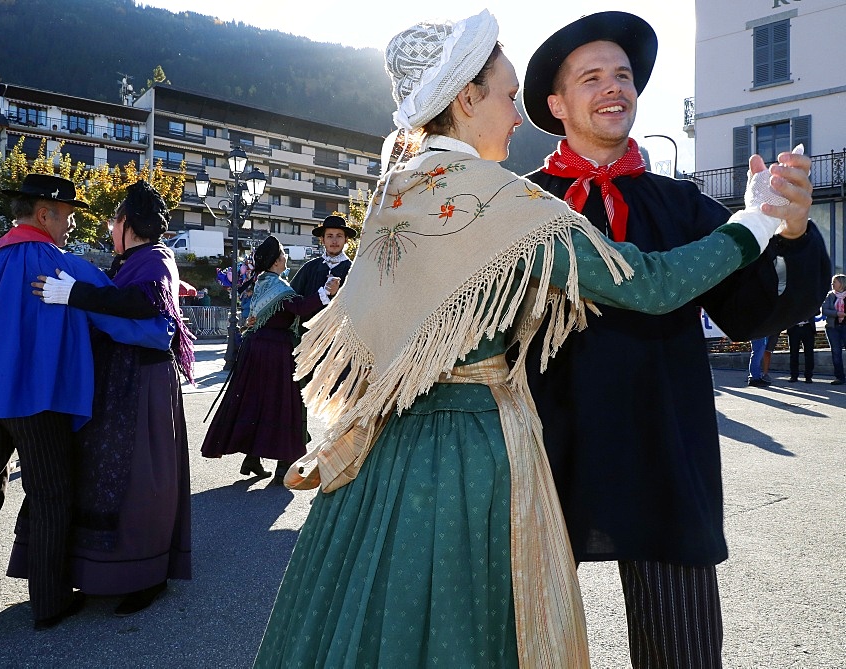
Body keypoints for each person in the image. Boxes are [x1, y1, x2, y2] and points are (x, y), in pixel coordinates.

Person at [254, 11, 798, 667]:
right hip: (472, 450)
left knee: (381, 621)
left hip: (391, 456)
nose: (517, 118)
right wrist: (756, 222)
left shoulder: (398, 190)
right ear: (465, 99)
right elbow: (650, 285)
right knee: (474, 629)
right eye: (509, 96)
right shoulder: (498, 201)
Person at [520, 11, 831, 667]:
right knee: (521, 646)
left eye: (623, 75)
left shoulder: (683, 205)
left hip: (662, 454)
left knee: (682, 653)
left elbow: (750, 310)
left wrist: (795, 233)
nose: (614, 88)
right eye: (592, 76)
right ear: (556, 102)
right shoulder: (517, 206)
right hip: (540, 457)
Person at [0, 174, 172, 640]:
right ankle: (49, 603)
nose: (69, 227)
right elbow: (131, 327)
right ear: (44, 213)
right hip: (40, 399)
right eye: (66, 216)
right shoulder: (68, 267)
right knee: (50, 496)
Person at [11, 180, 196, 616]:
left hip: (144, 384)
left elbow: (140, 306)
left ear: (128, 223)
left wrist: (75, 294)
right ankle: (96, 572)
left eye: (115, 219)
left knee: (141, 481)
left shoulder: (155, 258)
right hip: (118, 382)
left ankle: (146, 574)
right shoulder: (133, 259)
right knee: (102, 476)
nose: (111, 228)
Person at [202, 235, 339, 481]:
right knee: (283, 405)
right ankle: (284, 465)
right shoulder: (278, 286)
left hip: (256, 350)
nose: (286, 257)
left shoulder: (263, 281)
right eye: (284, 253)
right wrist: (326, 292)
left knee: (258, 403)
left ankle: (253, 458)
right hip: (275, 352)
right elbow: (299, 308)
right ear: (277, 261)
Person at [289, 214, 354, 300]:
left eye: (339, 236)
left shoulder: (353, 271)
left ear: (346, 239)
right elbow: (291, 298)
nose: (334, 241)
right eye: (330, 236)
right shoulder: (309, 268)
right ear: (322, 240)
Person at [822, 274, 846, 385]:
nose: (832, 284)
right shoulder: (830, 296)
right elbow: (825, 310)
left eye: (834, 282)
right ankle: (839, 377)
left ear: (841, 283)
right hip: (833, 328)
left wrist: (844, 314)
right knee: (836, 352)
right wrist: (837, 314)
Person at [786, 318, 816, 383]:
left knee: (809, 353)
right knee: (793, 353)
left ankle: (808, 376)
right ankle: (794, 376)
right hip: (794, 327)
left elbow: (817, 311)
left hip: (807, 327)